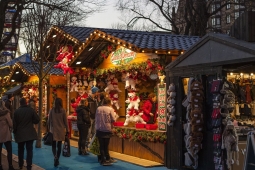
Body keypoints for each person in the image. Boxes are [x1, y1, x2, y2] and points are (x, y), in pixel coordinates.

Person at [13, 98, 40, 170]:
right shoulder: (31, 110)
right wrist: (31, 121)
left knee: (20, 150)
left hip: (20, 133)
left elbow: (14, 125)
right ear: (26, 103)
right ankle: (29, 166)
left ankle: (20, 165)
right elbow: (37, 119)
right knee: (29, 150)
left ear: (20, 103)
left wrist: (15, 132)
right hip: (29, 133)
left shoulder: (16, 112)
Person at [95, 97, 118, 166]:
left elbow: (96, 118)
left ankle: (104, 159)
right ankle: (106, 159)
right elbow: (113, 119)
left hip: (99, 128)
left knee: (101, 145)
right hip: (107, 129)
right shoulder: (110, 109)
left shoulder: (98, 108)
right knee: (106, 145)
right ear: (109, 102)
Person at [47, 98, 69, 167]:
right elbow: (65, 121)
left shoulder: (52, 110)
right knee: (59, 145)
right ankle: (57, 159)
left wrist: (48, 129)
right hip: (61, 130)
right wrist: (67, 130)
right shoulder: (63, 111)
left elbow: (49, 121)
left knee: (53, 145)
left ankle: (55, 156)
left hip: (53, 130)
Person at [0, 100, 15, 170]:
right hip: (6, 134)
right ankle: (10, 166)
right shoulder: (6, 113)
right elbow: (11, 124)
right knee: (9, 150)